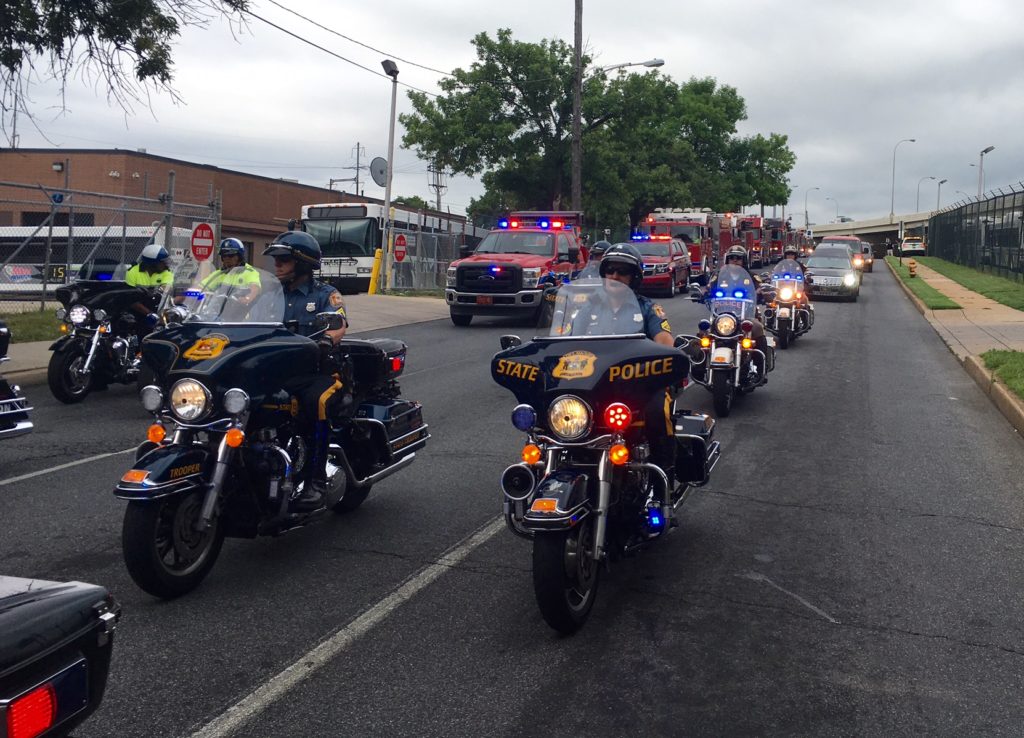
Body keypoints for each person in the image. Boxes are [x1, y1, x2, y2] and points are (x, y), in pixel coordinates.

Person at [263, 230, 349, 512]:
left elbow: (339, 325)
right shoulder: (269, 295)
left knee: (317, 402)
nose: (276, 265)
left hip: (317, 371)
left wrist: (327, 338)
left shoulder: (326, 294)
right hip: (279, 370)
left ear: (302, 263)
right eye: (276, 259)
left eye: (283, 259)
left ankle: (316, 481)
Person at [594, 243, 680, 492]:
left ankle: (662, 483)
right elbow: (564, 337)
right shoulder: (587, 307)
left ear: (634, 278)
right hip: (594, 383)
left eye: (622, 272)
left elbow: (664, 341)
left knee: (658, 412)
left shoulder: (648, 308)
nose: (615, 277)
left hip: (637, 385)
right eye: (610, 270)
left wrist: (670, 353)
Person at [705, 245, 770, 383]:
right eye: (732, 258)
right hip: (721, 316)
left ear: (744, 261)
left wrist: (762, 293)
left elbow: (760, 288)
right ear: (727, 260)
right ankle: (699, 367)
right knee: (703, 330)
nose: (735, 261)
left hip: (746, 316)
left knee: (758, 328)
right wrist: (704, 293)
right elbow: (709, 287)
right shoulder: (718, 275)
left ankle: (761, 368)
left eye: (738, 258)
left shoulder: (752, 276)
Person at [200, 239, 261, 303]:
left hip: (240, 310)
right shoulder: (220, 274)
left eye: (230, 255)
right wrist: (194, 291)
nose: (227, 258)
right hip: (219, 311)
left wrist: (248, 298)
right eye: (224, 256)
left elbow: (255, 288)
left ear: (239, 256)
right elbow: (202, 286)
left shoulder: (249, 272)